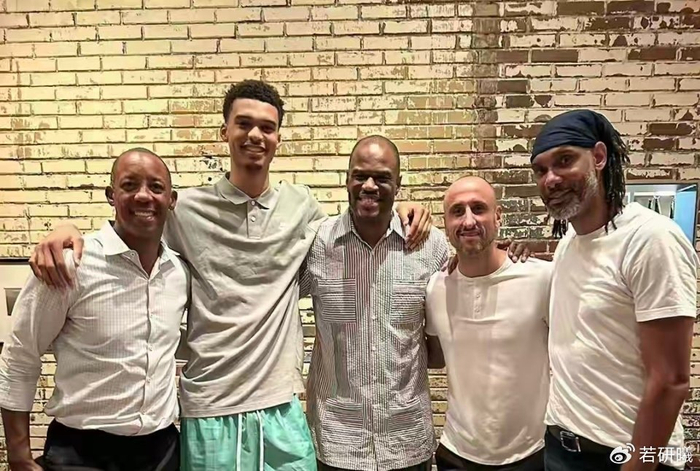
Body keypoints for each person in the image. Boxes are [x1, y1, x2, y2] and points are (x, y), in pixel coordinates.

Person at [27, 80, 432, 470]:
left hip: (281, 404)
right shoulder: (185, 210)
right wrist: (68, 231)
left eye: (267, 127)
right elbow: (131, 227)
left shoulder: (301, 206)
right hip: (209, 405)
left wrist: (402, 209)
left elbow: (356, 221)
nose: (255, 135)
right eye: (244, 124)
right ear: (225, 131)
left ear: (278, 138)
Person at [530, 109, 698, 471]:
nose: (551, 179)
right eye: (541, 170)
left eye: (564, 161)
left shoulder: (651, 239)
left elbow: (671, 381)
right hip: (562, 448)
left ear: (599, 157)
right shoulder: (569, 244)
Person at [0, 149, 188, 471]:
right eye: (129, 185)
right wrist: (18, 456)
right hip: (81, 453)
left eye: (156, 187)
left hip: (162, 451)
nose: (144, 196)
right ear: (111, 195)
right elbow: (20, 355)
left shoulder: (179, 273)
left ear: (171, 200)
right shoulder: (69, 264)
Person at [300, 136, 450, 471]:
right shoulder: (317, 245)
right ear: (346, 180)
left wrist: (512, 255)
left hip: (406, 441)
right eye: (360, 176)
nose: (369, 186)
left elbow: (467, 293)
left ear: (399, 184)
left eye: (382, 178)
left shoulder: (430, 247)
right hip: (338, 442)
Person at [425, 176, 551, 471]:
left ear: (498, 216)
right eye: (457, 211)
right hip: (456, 454)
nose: (468, 221)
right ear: (445, 223)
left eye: (479, 208)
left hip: (530, 454)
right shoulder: (436, 287)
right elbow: (436, 356)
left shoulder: (542, 278)